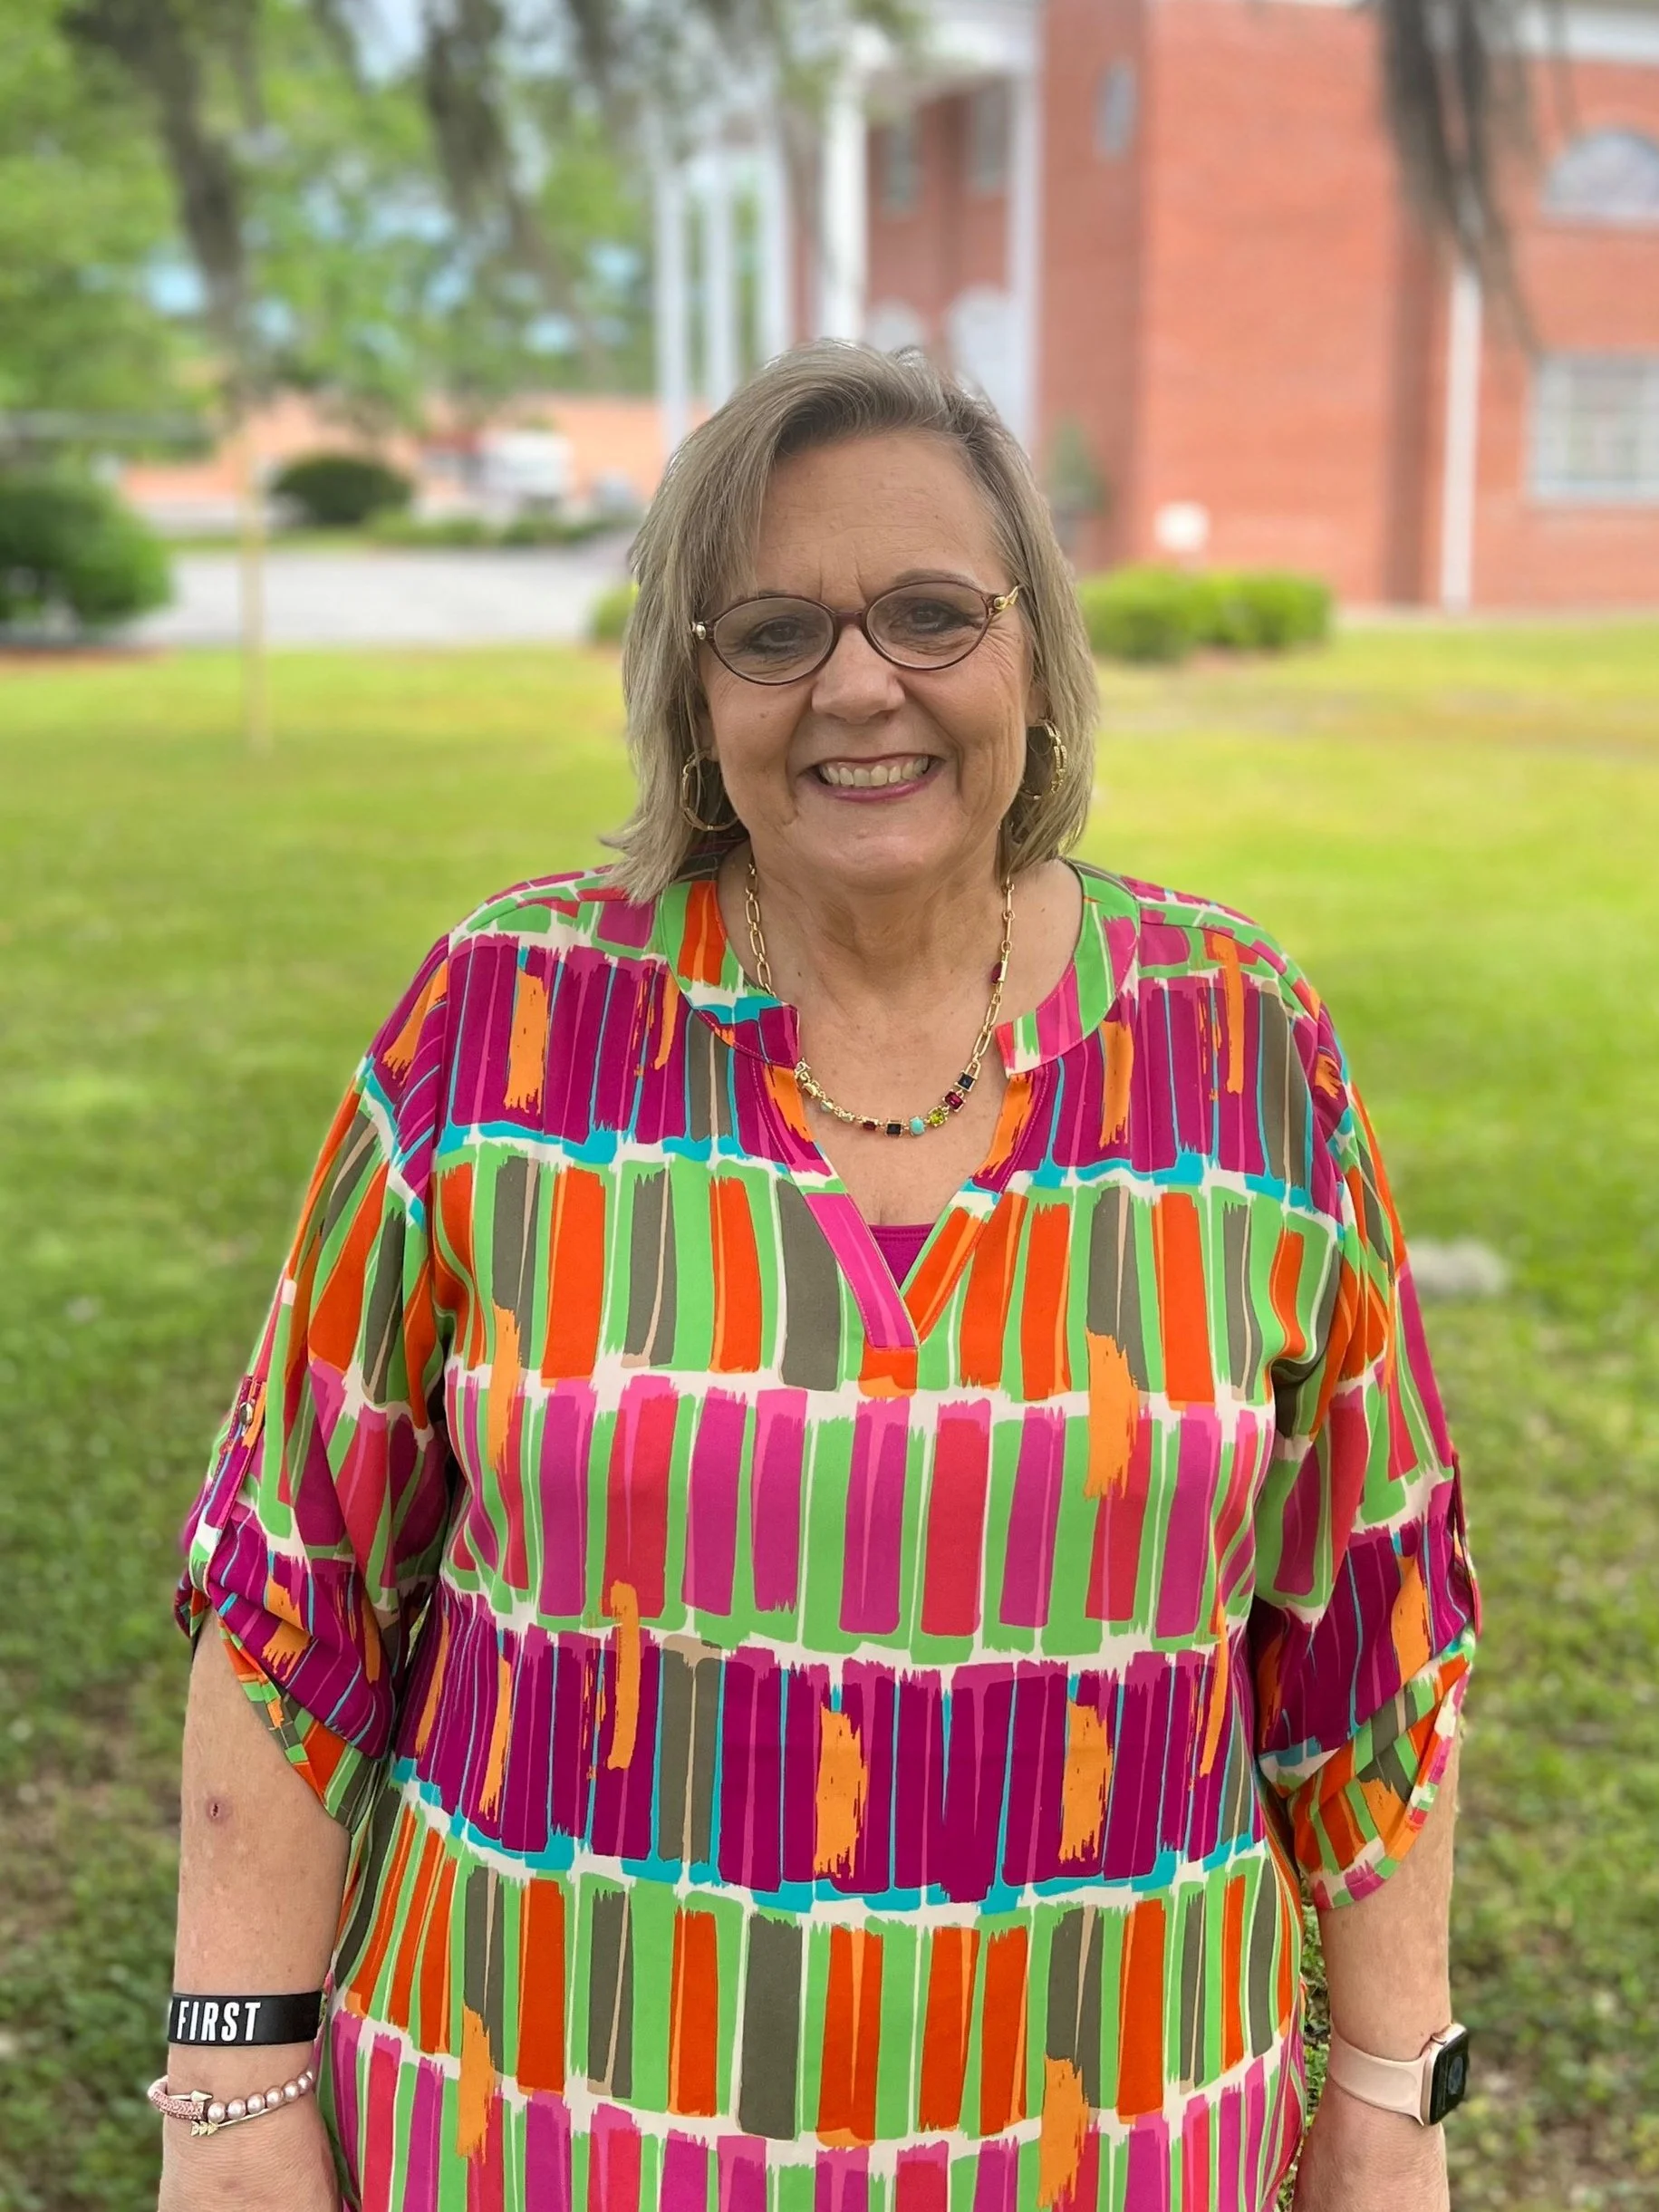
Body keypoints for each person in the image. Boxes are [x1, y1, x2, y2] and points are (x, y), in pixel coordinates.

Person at [154, 343, 1479, 2212]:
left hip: (1113, 2147)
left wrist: (1389, 2095)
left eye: (933, 611)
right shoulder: (507, 1025)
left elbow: (1371, 1629)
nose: (863, 682)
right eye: (773, 629)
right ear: (697, 690)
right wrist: (229, 2100)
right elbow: (291, 1594)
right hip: (533, 2140)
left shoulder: (1243, 1048)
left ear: (1035, 652)